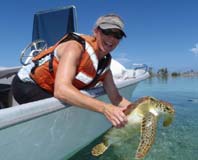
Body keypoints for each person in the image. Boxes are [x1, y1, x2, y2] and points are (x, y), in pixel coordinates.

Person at [11, 14, 134, 128]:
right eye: (107, 32)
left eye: (117, 35)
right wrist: (105, 108)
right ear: (96, 31)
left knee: (75, 109)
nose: (111, 39)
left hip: (51, 89)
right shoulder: (74, 48)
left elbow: (117, 99)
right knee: (66, 115)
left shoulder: (104, 67)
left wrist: (143, 110)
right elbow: (62, 91)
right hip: (27, 85)